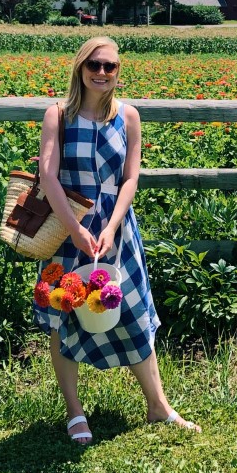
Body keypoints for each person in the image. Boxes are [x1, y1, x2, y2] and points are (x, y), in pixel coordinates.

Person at [34, 36, 200, 445]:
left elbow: (130, 178)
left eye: (110, 67)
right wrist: (75, 228)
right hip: (65, 229)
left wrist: (111, 226)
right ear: (80, 67)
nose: (102, 73)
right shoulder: (58, 114)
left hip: (117, 231)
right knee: (64, 312)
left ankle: (157, 406)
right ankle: (75, 413)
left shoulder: (128, 116)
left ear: (118, 72)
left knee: (133, 309)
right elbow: (48, 176)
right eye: (95, 65)